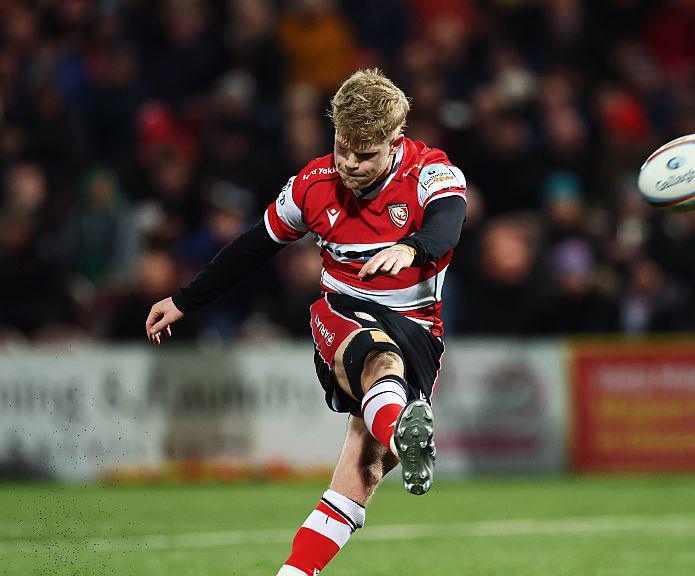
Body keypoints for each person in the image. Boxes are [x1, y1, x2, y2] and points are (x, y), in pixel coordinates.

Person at [144, 69, 467, 576]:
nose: (351, 164)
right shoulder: (312, 186)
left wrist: (412, 247)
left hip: (419, 330)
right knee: (373, 353)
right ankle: (403, 423)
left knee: (361, 475)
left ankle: (296, 571)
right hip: (344, 315)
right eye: (343, 148)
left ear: (395, 142)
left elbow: (449, 221)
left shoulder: (432, 171)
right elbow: (253, 246)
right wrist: (186, 299)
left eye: (366, 154)